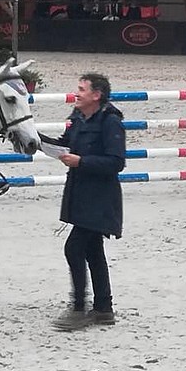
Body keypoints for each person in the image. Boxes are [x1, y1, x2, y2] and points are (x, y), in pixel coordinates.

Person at [51, 73, 125, 331]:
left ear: (97, 95)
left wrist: (82, 161)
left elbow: (117, 162)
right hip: (80, 193)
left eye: (82, 89)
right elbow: (64, 144)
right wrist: (34, 139)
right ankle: (104, 308)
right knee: (93, 250)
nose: (77, 93)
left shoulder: (110, 122)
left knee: (74, 248)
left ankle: (79, 308)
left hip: (100, 197)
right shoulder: (77, 117)